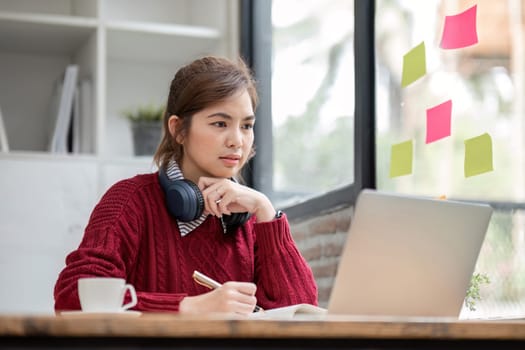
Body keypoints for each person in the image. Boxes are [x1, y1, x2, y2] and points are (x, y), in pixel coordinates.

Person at [54, 56, 318, 315]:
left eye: (247, 126)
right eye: (220, 123)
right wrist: (189, 306)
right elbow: (73, 296)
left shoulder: (250, 219)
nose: (237, 140)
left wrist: (265, 211)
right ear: (178, 129)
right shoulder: (129, 201)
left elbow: (304, 316)